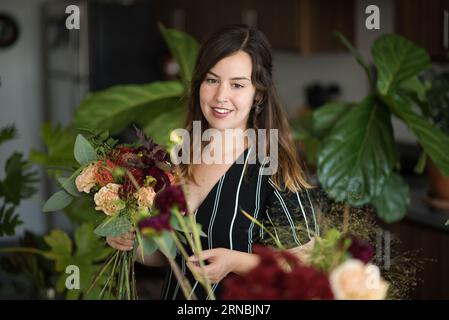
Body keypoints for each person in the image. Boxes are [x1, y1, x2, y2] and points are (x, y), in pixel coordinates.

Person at [106, 24, 319, 300]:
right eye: (211, 80)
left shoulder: (274, 167)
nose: (221, 96)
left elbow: (306, 262)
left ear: (259, 94)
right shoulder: (180, 156)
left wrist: (236, 262)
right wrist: (132, 244)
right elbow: (171, 255)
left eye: (237, 85)